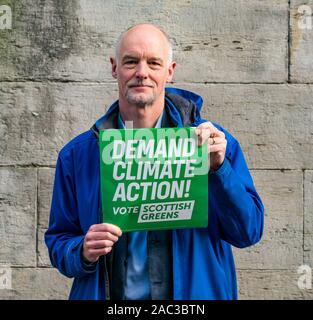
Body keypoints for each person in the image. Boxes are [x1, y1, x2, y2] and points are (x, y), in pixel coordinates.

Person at [45, 24, 264, 300]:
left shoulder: (213, 144)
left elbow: (249, 231)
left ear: (169, 70)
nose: (142, 72)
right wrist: (82, 250)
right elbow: (58, 242)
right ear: (114, 68)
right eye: (131, 62)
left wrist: (219, 171)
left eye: (154, 63)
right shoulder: (77, 156)